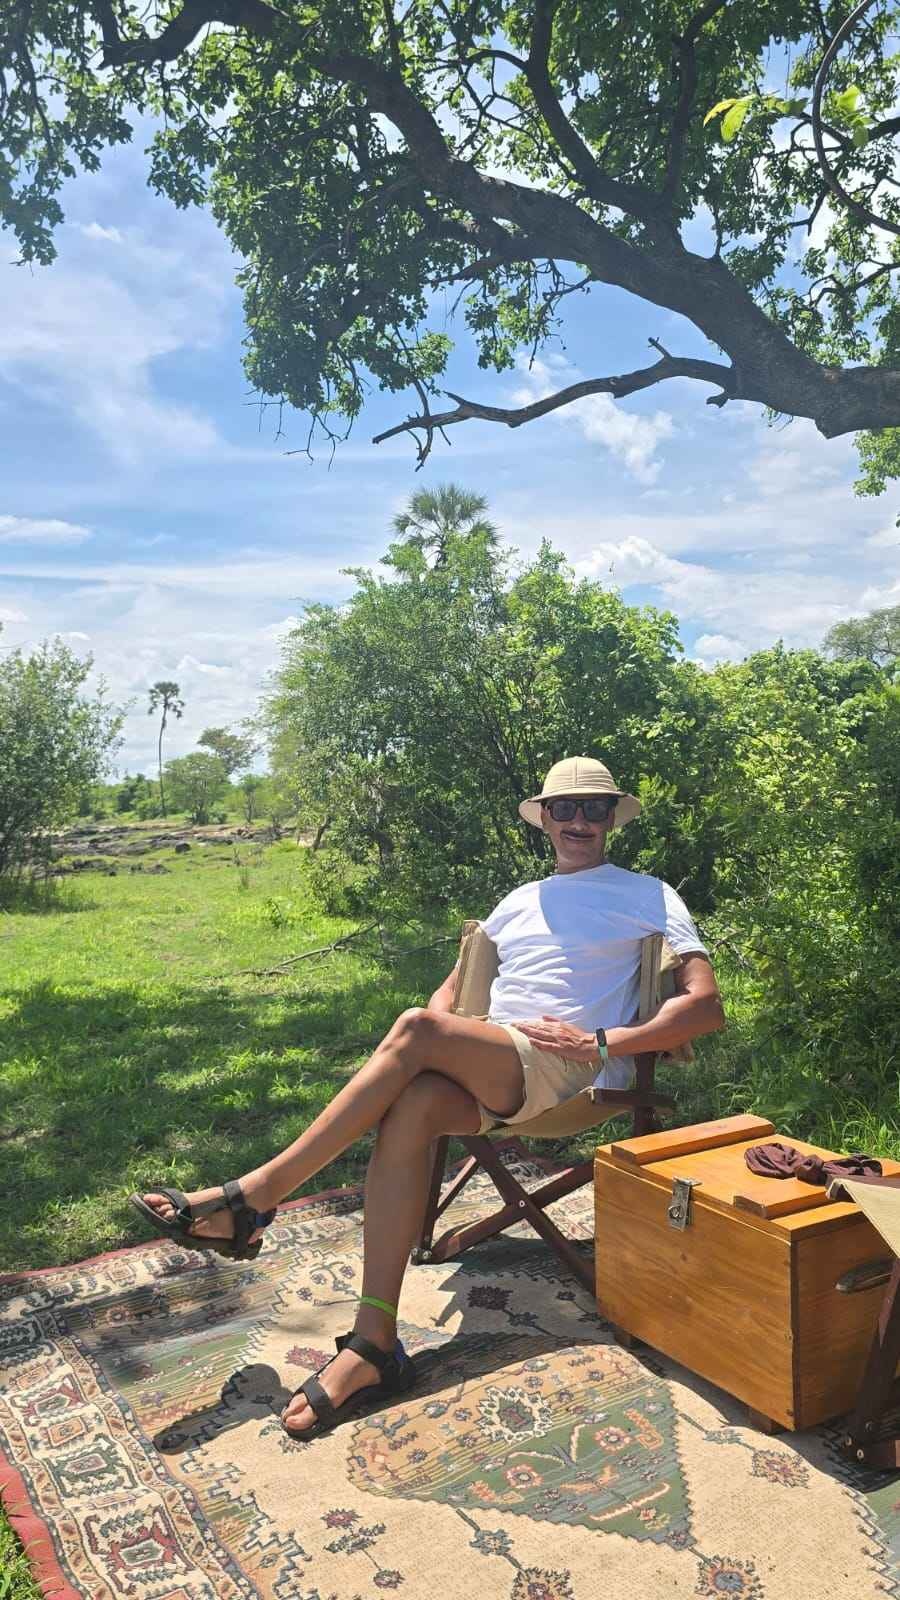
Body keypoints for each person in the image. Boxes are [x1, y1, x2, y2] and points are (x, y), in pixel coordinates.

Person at [131, 755, 724, 1439]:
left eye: (594, 808)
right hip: (498, 1064)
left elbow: (704, 1005)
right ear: (544, 820)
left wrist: (601, 1043)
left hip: (573, 1073)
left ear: (612, 818)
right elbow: (449, 991)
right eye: (565, 808)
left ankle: (254, 1199)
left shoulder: (648, 893)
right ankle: (373, 1343)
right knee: (412, 1101)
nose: (579, 821)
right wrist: (451, 1036)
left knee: (416, 1029)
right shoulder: (519, 900)